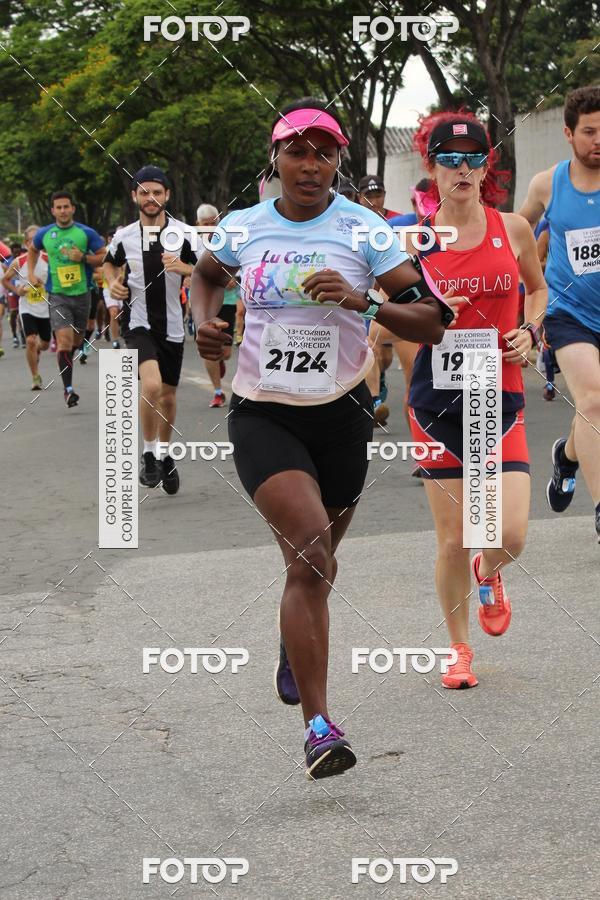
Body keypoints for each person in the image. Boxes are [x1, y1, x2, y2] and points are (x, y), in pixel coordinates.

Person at [190, 98, 452, 778]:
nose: (310, 165)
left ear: (338, 160)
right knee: (310, 554)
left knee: (316, 568)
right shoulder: (243, 228)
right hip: (263, 412)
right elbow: (206, 279)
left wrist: (363, 301)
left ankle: (292, 639)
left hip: (342, 414)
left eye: (324, 152)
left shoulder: (365, 231)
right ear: (275, 158)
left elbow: (430, 321)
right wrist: (207, 326)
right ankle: (318, 728)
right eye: (296, 151)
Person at [407, 112, 547, 689]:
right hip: (436, 400)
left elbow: (537, 290)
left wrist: (531, 332)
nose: (461, 169)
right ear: (432, 168)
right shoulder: (413, 241)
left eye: (472, 160)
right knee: (453, 535)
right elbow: (390, 312)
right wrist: (429, 320)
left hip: (501, 394)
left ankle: (488, 572)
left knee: (509, 533)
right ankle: (459, 649)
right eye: (449, 160)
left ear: (486, 167)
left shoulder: (511, 227)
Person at [519, 86, 600, 540]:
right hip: (569, 311)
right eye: (589, 131)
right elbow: (518, 228)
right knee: (591, 400)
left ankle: (567, 456)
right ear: (568, 134)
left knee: (597, 407)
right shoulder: (549, 183)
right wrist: (531, 282)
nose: (598, 140)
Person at [103, 165, 197, 493]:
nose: (151, 198)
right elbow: (109, 263)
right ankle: (147, 454)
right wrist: (112, 283)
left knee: (168, 397)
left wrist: (185, 267)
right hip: (137, 323)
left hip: (172, 326)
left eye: (157, 192)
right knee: (152, 386)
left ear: (167, 195)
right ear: (134, 197)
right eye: (144, 192)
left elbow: (212, 274)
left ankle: (165, 454)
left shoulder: (185, 233)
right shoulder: (125, 236)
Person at [27, 191, 105, 408]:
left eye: (66, 207)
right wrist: (32, 273)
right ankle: (68, 390)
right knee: (63, 341)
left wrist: (84, 258)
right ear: (53, 211)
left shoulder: (85, 233)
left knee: (77, 342)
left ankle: (67, 359)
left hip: (82, 294)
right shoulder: (45, 233)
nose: (62, 211)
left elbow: (103, 256)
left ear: (73, 209)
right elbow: (32, 250)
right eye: (58, 207)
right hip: (58, 295)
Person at [195, 204, 236, 407]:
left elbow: (245, 264)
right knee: (210, 344)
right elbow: (192, 272)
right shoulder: (194, 245)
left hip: (228, 301)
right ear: (198, 225)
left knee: (225, 353)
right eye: (206, 224)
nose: (210, 227)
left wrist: (234, 278)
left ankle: (220, 359)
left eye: (214, 223)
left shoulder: (229, 240)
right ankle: (218, 391)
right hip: (206, 304)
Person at [1, 226, 50, 389]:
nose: (34, 244)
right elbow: (5, 280)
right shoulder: (19, 261)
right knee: (29, 340)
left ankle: (37, 348)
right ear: (26, 242)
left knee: (44, 345)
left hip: (46, 308)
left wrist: (47, 285)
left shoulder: (49, 259)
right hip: (27, 307)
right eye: (31, 241)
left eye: (37, 240)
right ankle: (35, 376)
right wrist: (18, 291)